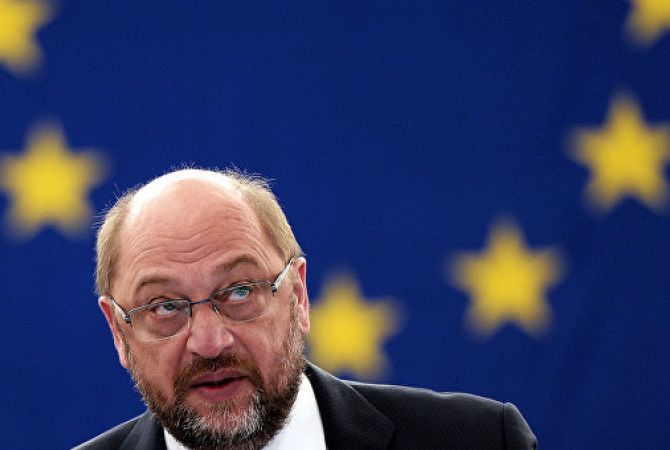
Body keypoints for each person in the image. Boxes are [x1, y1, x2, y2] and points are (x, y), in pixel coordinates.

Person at [75, 168, 537, 450]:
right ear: (118, 331)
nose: (210, 343)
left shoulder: (482, 441)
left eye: (240, 291)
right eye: (165, 307)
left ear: (297, 296)